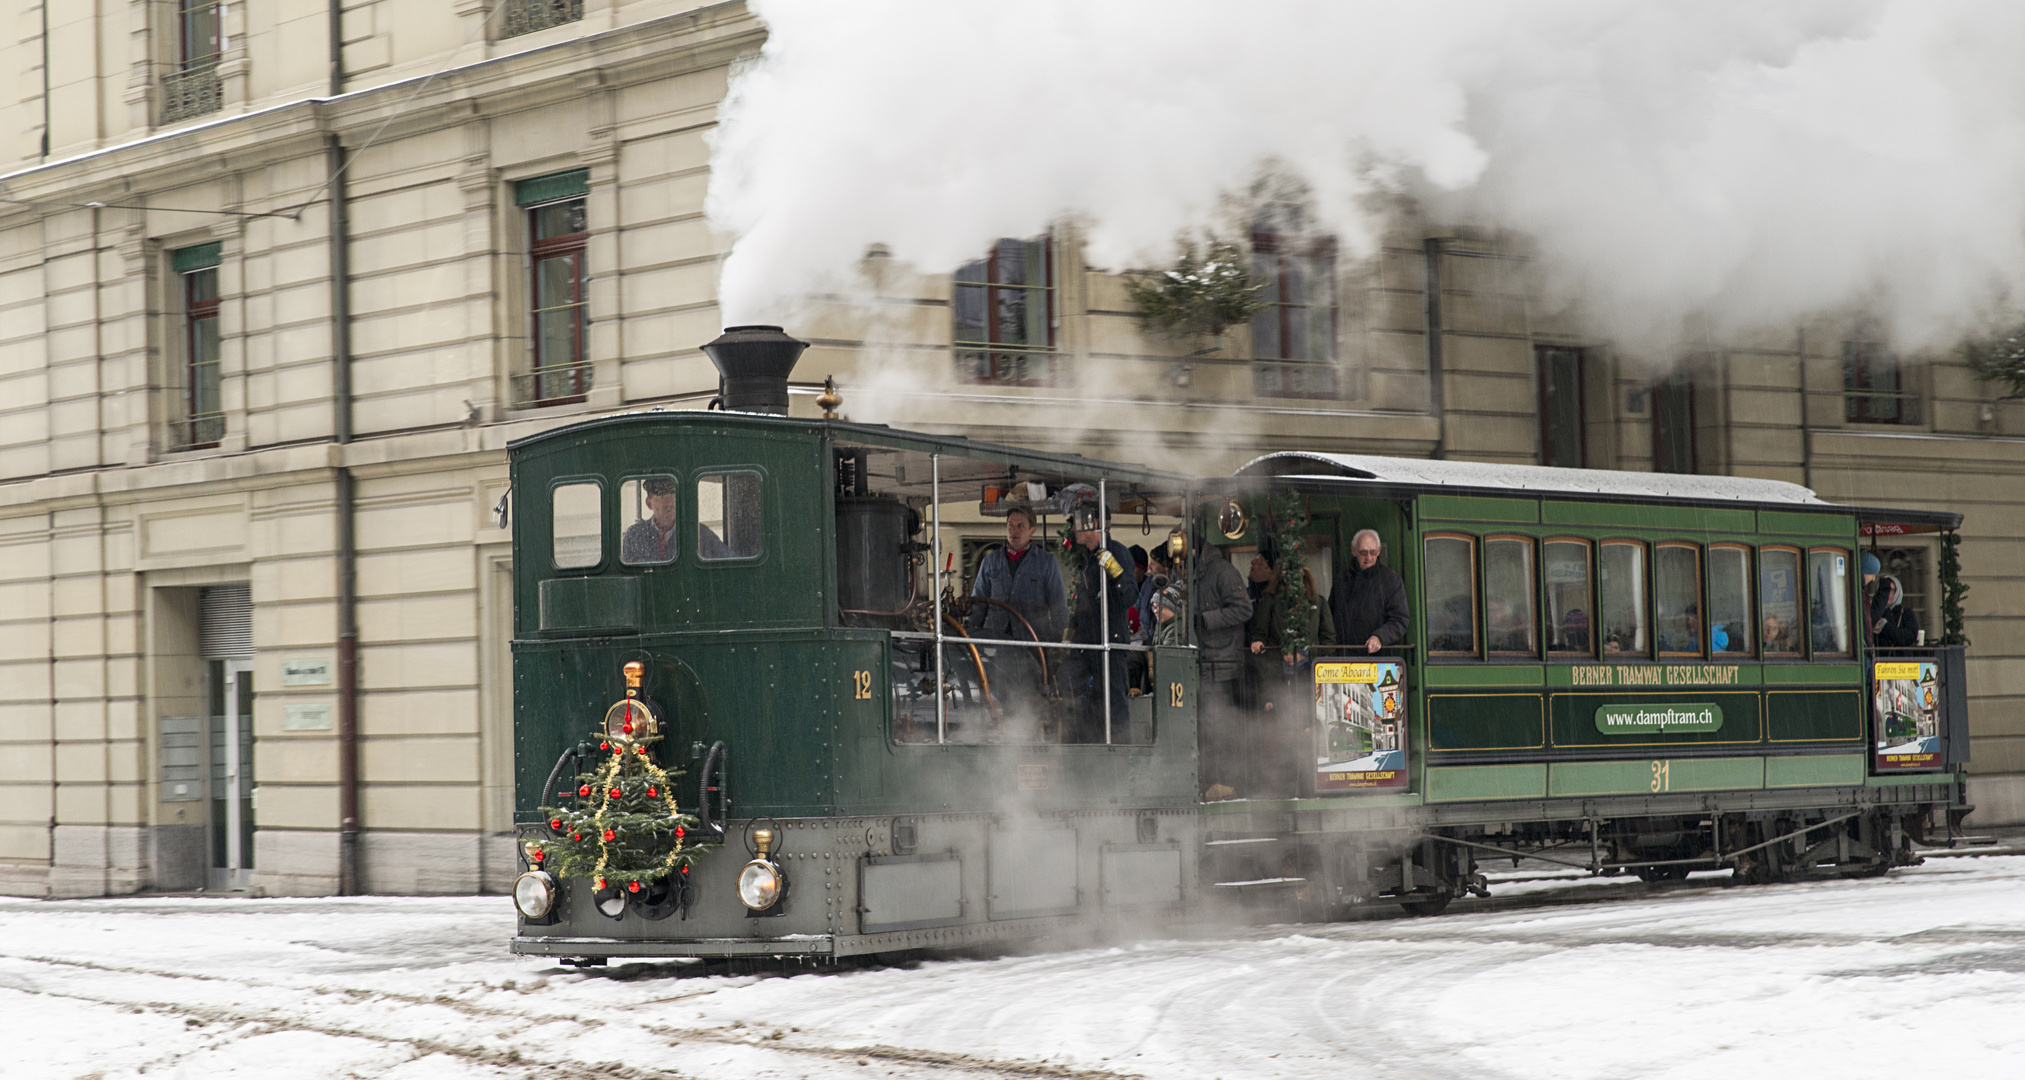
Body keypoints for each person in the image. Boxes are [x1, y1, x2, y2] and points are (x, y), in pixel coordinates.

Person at [967, 506, 1068, 729]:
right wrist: (967, 637)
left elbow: (1060, 608)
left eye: (1020, 525)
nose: (1014, 530)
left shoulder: (1046, 563)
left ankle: (1032, 735)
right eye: (1010, 525)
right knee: (996, 697)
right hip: (996, 649)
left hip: (1032, 649)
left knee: (1030, 701)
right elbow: (977, 606)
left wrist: (1051, 646)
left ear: (1032, 530)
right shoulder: (990, 563)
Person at [1245, 561, 1335, 797]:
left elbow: (1329, 642)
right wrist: (1261, 645)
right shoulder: (1270, 601)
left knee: (1309, 730)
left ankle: (1310, 784)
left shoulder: (1318, 602)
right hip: (1279, 677)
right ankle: (1282, 787)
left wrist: (1308, 655)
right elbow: (1259, 635)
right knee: (1280, 732)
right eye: (1286, 571)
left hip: (1309, 679)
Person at [1059, 488, 1136, 742]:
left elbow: (1129, 597)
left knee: (1114, 700)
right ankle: (1084, 742)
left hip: (1109, 642)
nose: (1076, 529)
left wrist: (1112, 566)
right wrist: (1069, 638)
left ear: (1095, 524)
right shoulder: (1086, 558)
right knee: (1070, 686)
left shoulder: (1116, 552)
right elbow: (1082, 602)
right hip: (1088, 643)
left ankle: (1122, 750)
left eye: (1080, 522)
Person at [1194, 542, 1255, 797]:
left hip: (1220, 660)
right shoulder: (1193, 573)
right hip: (1203, 659)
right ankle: (1212, 780)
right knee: (1206, 724)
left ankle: (1225, 781)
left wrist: (1206, 620)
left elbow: (1244, 609)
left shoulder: (1223, 572)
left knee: (1216, 724)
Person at [1329, 529, 1409, 654]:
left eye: (1373, 552)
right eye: (1363, 552)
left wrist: (1379, 637)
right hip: (1344, 660)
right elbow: (1331, 617)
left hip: (1377, 661)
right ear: (1353, 551)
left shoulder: (1391, 580)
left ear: (1379, 550)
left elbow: (1400, 620)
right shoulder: (1341, 580)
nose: (1369, 557)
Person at [621, 477, 681, 563]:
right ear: (649, 503)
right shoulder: (634, 535)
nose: (669, 503)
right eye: (661, 497)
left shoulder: (699, 534)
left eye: (673, 496)